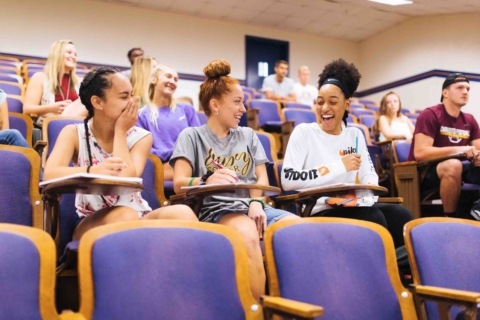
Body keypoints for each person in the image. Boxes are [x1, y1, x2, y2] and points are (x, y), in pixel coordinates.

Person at [170, 59, 299, 300]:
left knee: (297, 230)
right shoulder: (191, 136)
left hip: (253, 207)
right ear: (215, 104)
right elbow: (179, 181)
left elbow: (261, 176)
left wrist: (256, 203)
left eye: (243, 102)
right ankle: (256, 311)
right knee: (247, 232)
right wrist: (206, 180)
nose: (243, 109)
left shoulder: (249, 135)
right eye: (237, 102)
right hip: (216, 210)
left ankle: (291, 307)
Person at [44, 67, 197, 241]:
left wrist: (120, 131)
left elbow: (125, 177)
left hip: (138, 215)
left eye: (132, 95)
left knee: (183, 212)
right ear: (98, 102)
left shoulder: (142, 137)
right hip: (90, 220)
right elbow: (50, 173)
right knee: (125, 215)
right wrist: (94, 170)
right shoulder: (73, 133)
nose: (132, 102)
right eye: (124, 97)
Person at [282, 58, 412, 248]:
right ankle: (380, 273)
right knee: (373, 218)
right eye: (320, 102)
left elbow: (368, 174)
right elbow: (288, 179)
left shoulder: (355, 135)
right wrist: (339, 166)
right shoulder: (304, 132)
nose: (324, 108)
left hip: (353, 205)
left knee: (401, 214)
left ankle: (400, 273)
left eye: (332, 102)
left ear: (347, 104)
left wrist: (367, 195)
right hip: (319, 208)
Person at [408, 73, 480, 218]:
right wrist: (460, 149)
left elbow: (477, 149)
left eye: (467, 89)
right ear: (445, 93)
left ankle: (477, 209)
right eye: (460, 88)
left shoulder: (470, 120)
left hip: (460, 169)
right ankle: (450, 218)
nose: (465, 92)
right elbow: (420, 153)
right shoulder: (430, 114)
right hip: (424, 172)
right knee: (453, 165)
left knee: (458, 165)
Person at [136, 65, 200, 181]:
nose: (172, 82)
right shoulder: (142, 115)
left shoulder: (186, 109)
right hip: (160, 165)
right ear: (153, 80)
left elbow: (198, 142)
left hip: (187, 162)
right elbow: (142, 149)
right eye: (168, 77)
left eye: (176, 79)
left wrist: (180, 155)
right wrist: (172, 154)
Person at [24, 40, 85, 125]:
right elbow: (27, 109)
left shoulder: (81, 83)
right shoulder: (40, 78)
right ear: (57, 54)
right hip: (47, 127)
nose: (73, 57)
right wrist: (51, 108)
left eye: (75, 54)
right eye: (69, 52)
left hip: (74, 128)